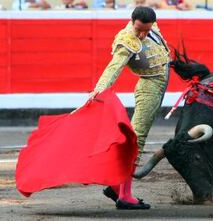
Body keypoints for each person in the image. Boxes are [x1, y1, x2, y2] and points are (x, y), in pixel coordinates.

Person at [73, 6, 170, 210]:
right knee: (137, 138)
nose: (142, 34)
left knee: (136, 136)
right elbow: (113, 68)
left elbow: (161, 51)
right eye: (139, 30)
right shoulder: (126, 40)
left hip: (159, 83)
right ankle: (125, 195)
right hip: (149, 87)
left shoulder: (151, 26)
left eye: (146, 30)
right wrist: (98, 90)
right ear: (132, 21)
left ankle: (117, 186)